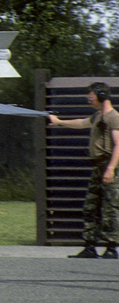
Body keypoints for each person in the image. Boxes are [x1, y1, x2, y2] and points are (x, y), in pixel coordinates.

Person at [48, 83, 119, 259]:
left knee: (110, 208)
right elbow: (81, 123)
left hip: (108, 166)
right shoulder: (97, 116)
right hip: (98, 167)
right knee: (90, 206)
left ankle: (111, 247)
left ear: (102, 96)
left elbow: (118, 145)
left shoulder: (113, 117)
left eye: (91, 97)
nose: (89, 101)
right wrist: (59, 122)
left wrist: (110, 169)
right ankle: (90, 246)